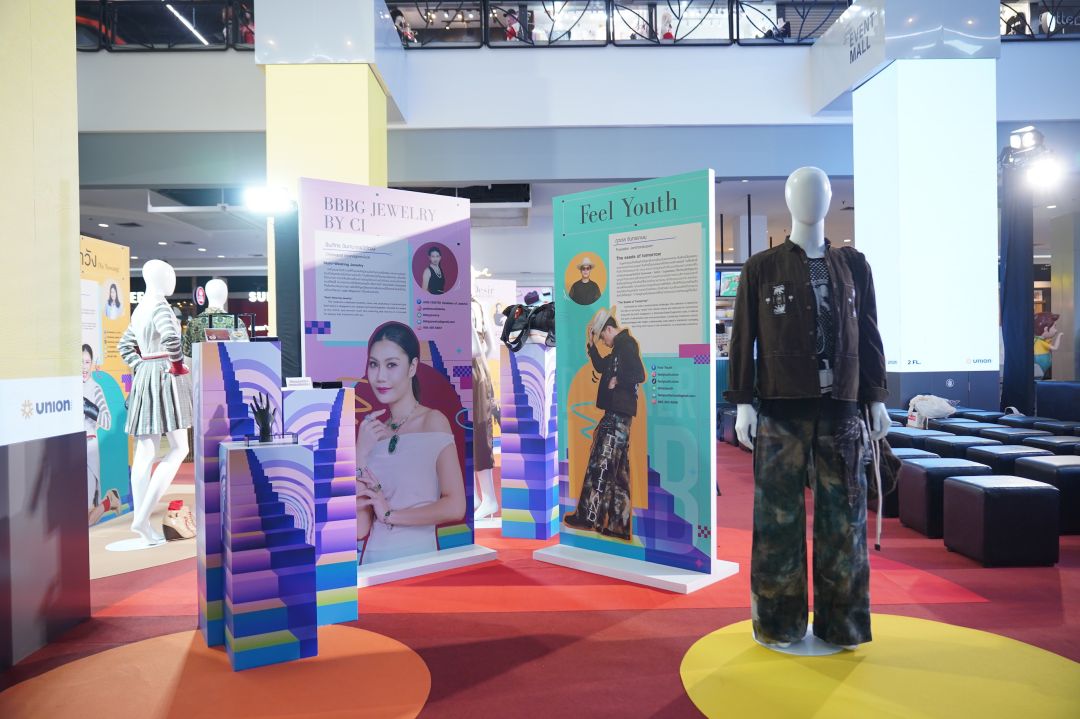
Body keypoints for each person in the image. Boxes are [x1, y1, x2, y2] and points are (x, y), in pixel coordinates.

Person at [355, 322, 466, 564]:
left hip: (419, 561)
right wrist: (359, 456)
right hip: (373, 562)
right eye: (373, 364)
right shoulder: (371, 434)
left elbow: (456, 506)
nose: (380, 376)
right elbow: (360, 529)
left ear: (412, 367)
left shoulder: (433, 422)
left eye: (391, 365)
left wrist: (390, 514)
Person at [563, 306, 645, 539]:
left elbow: (639, 375)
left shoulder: (626, 346)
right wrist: (591, 346)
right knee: (619, 474)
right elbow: (601, 366)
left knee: (599, 465)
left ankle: (588, 517)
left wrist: (618, 380)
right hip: (619, 415)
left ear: (609, 329)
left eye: (602, 337)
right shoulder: (621, 348)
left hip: (617, 414)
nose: (603, 342)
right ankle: (618, 526)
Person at [83, 344, 117, 525]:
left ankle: (108, 502)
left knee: (87, 518)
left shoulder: (95, 388)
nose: (83, 367)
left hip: (89, 447)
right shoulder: (67, 387)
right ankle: (109, 501)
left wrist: (89, 408)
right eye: (80, 362)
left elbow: (107, 421)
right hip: (69, 450)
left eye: (87, 362)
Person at [1034, 311, 1062, 379]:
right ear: (1046, 329)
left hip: (1040, 363)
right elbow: (1055, 348)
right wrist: (1059, 336)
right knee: (1038, 376)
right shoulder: (1040, 341)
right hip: (1040, 361)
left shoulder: (1040, 340)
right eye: (1054, 327)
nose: (1056, 330)